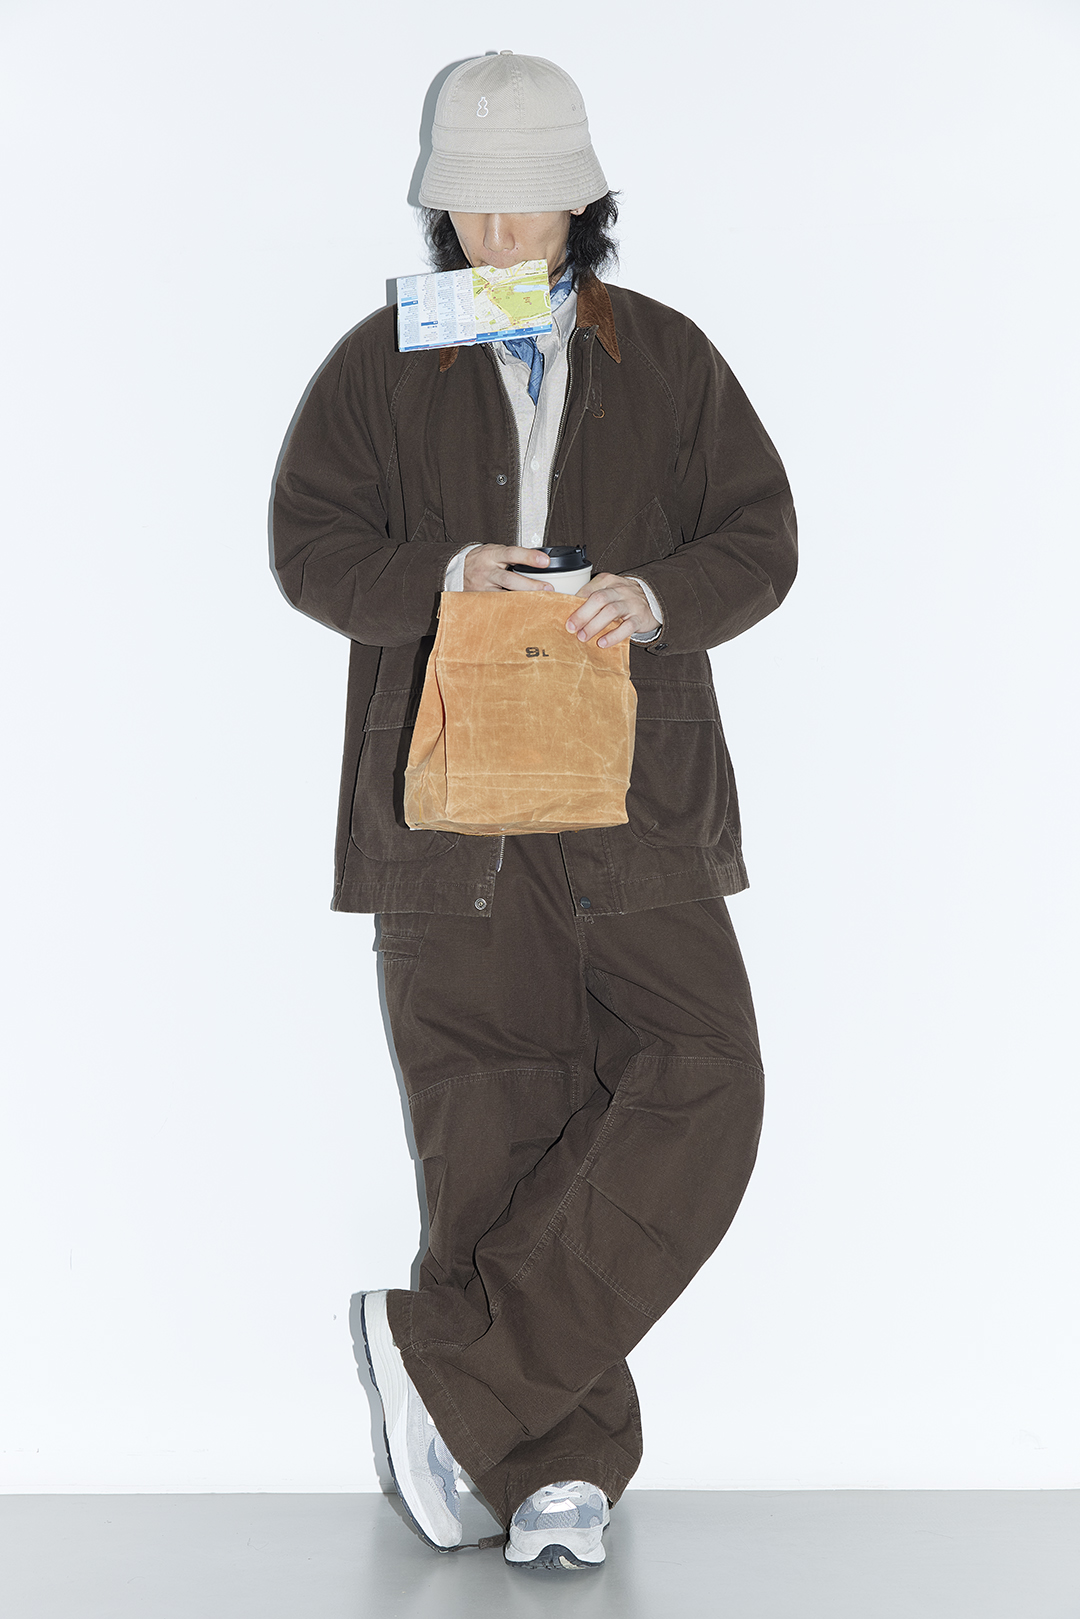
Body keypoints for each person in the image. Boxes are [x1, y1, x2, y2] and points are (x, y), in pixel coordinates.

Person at [271, 50, 797, 1573]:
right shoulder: (387, 359)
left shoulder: (668, 357)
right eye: (473, 208)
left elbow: (760, 538)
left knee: (704, 1075)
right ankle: (543, 1470)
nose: (500, 236)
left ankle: (452, 1372)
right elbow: (310, 548)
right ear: (441, 211)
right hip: (448, 806)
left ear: (584, 201)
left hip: (636, 794)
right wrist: (445, 576)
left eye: (529, 204)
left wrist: (658, 594)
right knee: (493, 1116)